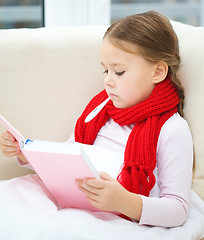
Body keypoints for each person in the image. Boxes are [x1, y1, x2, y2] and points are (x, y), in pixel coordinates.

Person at [0, 11, 193, 228]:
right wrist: (27, 153)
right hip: (73, 201)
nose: (108, 81)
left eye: (119, 72)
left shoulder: (173, 128)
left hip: (115, 216)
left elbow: (178, 210)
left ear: (157, 72)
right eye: (105, 70)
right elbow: (70, 155)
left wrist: (125, 202)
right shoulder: (101, 107)